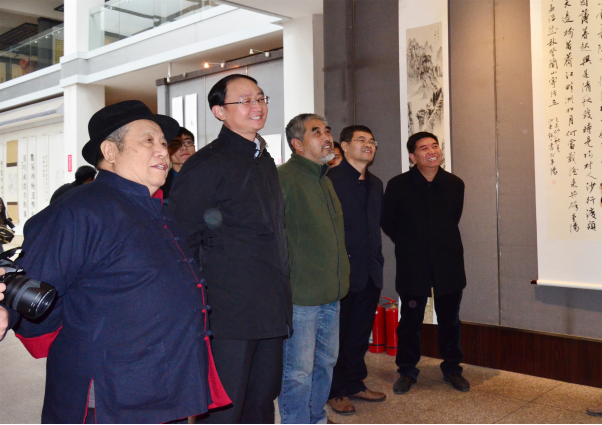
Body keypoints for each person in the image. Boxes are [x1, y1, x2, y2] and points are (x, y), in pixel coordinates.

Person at [0, 100, 230, 424]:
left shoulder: (158, 210)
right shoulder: (80, 210)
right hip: (114, 395)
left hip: (167, 384)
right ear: (110, 151)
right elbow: (29, 285)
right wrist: (7, 312)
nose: (163, 151)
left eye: (163, 142)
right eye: (148, 140)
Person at [169, 74, 292, 424]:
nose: (257, 106)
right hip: (228, 311)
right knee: (226, 407)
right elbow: (182, 238)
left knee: (262, 400)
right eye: (245, 100)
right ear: (219, 111)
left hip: (270, 306)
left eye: (260, 98)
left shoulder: (263, 157)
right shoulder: (206, 164)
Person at [381, 131, 470, 395]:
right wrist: (410, 242)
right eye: (424, 148)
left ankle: (452, 368)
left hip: (448, 263)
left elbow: (453, 218)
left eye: (435, 146)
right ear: (412, 156)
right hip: (413, 264)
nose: (432, 151)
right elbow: (387, 221)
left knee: (450, 320)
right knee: (410, 321)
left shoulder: (455, 184)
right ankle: (407, 371)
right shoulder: (398, 185)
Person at [278, 114, 350, 424]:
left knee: (325, 364)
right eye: (316, 131)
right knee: (298, 371)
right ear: (297, 144)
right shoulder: (284, 178)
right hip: (301, 297)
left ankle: (315, 418)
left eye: (327, 130)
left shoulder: (324, 179)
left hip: (331, 294)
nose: (327, 136)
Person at [327, 126, 386, 415]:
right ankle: (335, 390)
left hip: (370, 271)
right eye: (361, 140)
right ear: (345, 146)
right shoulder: (330, 181)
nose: (368, 145)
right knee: (337, 336)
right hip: (342, 273)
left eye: (372, 141)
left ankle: (355, 383)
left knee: (360, 335)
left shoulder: (376, 183)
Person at [161, 127, 196, 204]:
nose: (184, 148)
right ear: (166, 151)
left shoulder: (209, 176)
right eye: (175, 144)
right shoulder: (161, 183)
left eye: (188, 142)